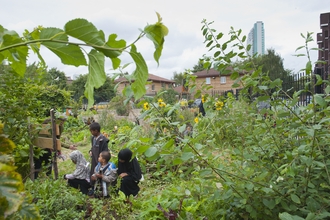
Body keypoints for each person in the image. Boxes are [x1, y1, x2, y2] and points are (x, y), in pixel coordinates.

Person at [89, 122, 110, 187]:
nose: (91, 132)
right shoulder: (93, 138)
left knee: (99, 174)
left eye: (91, 131)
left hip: (100, 161)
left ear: (96, 131)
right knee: (93, 173)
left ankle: (99, 189)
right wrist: (90, 151)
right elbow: (93, 147)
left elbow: (105, 152)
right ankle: (92, 187)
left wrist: (102, 160)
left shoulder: (103, 140)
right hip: (94, 159)